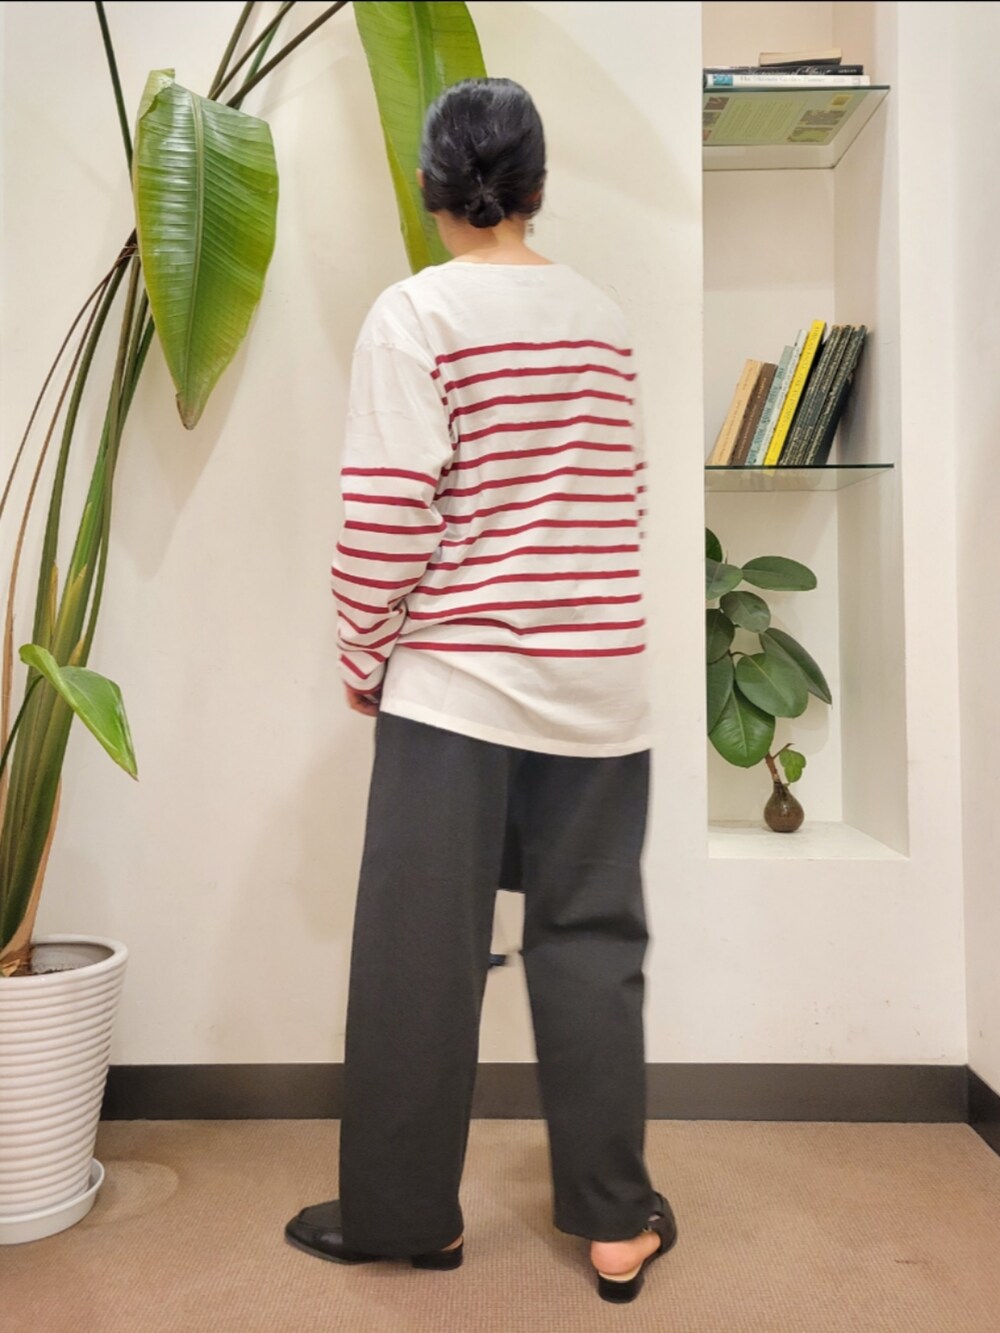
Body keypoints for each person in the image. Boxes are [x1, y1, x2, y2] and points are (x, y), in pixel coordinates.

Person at [285, 77, 676, 1305]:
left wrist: (364, 657)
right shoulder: (601, 319)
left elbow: (386, 515)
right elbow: (624, 501)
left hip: (456, 688)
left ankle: (407, 1217)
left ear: (429, 189)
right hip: (600, 686)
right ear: (538, 186)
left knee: (421, 954)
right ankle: (614, 1224)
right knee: (592, 946)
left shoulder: (415, 314)